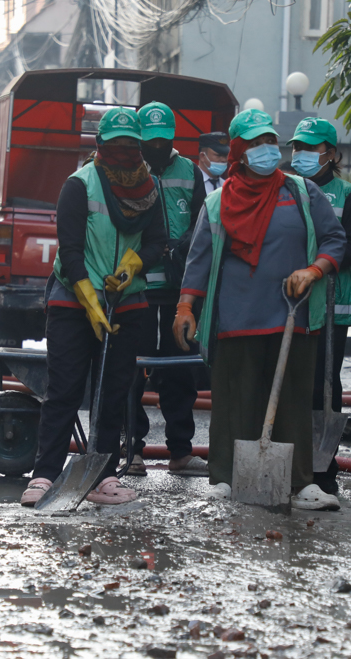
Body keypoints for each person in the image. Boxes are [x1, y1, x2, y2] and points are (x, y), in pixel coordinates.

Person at [174, 109, 346, 511]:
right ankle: (224, 479)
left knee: (292, 402)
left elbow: (334, 240)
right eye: (254, 143)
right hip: (236, 318)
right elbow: (198, 259)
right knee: (235, 401)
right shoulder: (218, 204)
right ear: (238, 150)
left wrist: (313, 269)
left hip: (294, 316)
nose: (266, 150)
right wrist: (186, 306)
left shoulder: (302, 193)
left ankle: (301, 483)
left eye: (269, 141)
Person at [20, 107, 165, 508]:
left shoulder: (150, 190)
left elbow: (158, 242)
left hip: (128, 303)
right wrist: (88, 298)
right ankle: (45, 474)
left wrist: (133, 265)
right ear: (99, 147)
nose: (123, 155)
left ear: (140, 148)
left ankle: (102, 475)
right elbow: (69, 249)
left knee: (112, 393)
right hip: (72, 302)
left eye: (130, 147)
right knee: (64, 389)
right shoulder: (78, 185)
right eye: (114, 147)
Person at [288, 117, 351, 496]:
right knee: (291, 383)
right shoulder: (286, 190)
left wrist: (319, 261)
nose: (302, 155)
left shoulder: (348, 195)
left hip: (333, 305)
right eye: (298, 148)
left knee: (325, 384)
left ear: (332, 154)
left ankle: (324, 467)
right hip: (291, 304)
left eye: (311, 148)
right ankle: (292, 460)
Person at [126, 101, 208, 477]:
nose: (156, 147)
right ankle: (132, 448)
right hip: (140, 289)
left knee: (180, 371)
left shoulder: (189, 171)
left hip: (179, 292)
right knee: (132, 369)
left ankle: (180, 450)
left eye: (163, 140)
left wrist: (183, 244)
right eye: (150, 141)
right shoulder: (127, 171)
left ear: (172, 139)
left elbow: (202, 222)